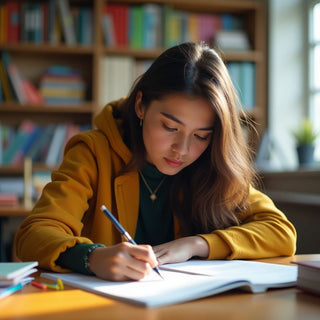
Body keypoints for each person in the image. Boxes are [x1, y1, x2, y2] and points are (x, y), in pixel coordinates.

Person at [15, 42, 296, 281]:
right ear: (140, 105)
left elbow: (280, 232)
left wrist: (198, 244)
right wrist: (92, 257)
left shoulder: (211, 164)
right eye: (170, 128)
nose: (182, 150)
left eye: (200, 135)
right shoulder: (93, 152)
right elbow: (34, 235)